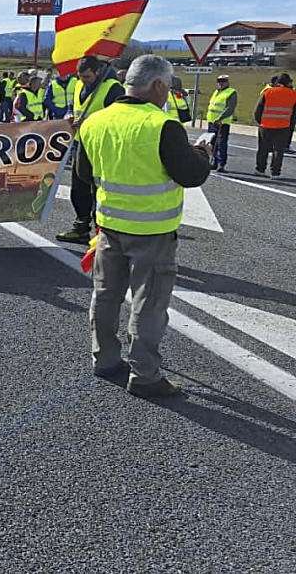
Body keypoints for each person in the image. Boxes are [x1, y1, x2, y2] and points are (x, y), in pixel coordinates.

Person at [79, 55, 212, 398]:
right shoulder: (163, 125)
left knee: (106, 295)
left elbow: (82, 174)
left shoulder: (96, 121)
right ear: (156, 85)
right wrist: (202, 155)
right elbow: (190, 174)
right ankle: (145, 374)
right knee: (149, 303)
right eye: (167, 87)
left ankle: (105, 358)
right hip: (152, 231)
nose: (167, 94)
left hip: (109, 227)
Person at [56, 56, 123, 245]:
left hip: (101, 145)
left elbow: (118, 118)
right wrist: (69, 116)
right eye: (80, 76)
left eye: (87, 76)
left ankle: (101, 231)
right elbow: (73, 107)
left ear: (98, 72)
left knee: (98, 189)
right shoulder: (78, 85)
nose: (83, 80)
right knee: (79, 188)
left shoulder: (113, 88)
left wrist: (90, 123)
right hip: (80, 143)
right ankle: (80, 227)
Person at [253, 73, 296, 177]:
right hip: (283, 126)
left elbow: (258, 110)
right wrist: (290, 125)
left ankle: (260, 169)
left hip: (266, 125)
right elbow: (294, 113)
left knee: (263, 149)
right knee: (279, 150)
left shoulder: (268, 92)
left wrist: (260, 122)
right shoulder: (293, 94)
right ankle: (275, 172)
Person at [205, 75, 237, 173]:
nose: (220, 83)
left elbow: (230, 108)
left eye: (223, 81)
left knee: (221, 143)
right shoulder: (216, 92)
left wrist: (220, 118)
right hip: (212, 122)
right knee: (212, 143)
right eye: (219, 81)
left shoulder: (231, 92)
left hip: (222, 123)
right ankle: (214, 162)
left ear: (227, 82)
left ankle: (221, 164)